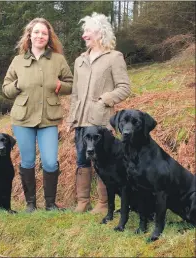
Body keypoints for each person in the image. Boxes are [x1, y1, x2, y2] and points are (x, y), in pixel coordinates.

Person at [2, 18, 73, 212]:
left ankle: (50, 204)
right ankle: (30, 204)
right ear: (29, 36)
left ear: (49, 37)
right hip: (22, 118)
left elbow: (71, 83)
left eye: (44, 33)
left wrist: (61, 86)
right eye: (36, 32)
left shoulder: (58, 60)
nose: (40, 36)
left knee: (50, 161)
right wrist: (17, 85)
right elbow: (6, 89)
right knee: (27, 161)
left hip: (48, 118)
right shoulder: (18, 61)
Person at [67, 13, 131, 214]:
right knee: (81, 160)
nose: (84, 35)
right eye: (84, 31)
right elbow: (76, 93)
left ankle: (104, 204)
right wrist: (71, 118)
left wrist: (105, 100)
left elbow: (124, 87)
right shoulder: (79, 60)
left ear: (100, 32)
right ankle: (83, 202)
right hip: (81, 120)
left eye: (88, 31)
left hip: (102, 120)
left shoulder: (114, 57)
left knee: (105, 161)